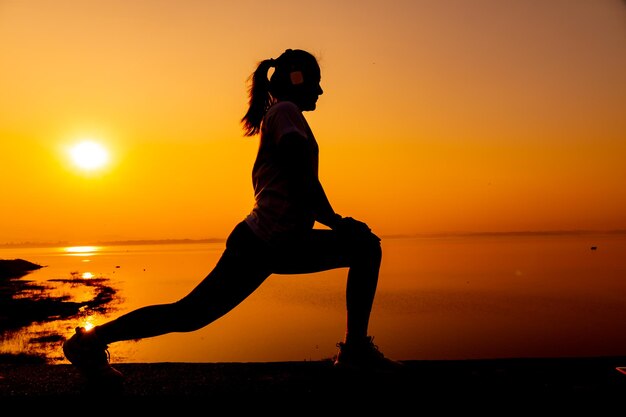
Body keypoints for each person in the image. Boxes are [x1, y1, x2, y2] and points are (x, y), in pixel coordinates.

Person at [63, 48, 402, 381]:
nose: (320, 90)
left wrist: (334, 221)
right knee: (189, 314)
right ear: (296, 80)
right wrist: (337, 222)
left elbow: (301, 179)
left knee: (190, 314)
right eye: (315, 81)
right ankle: (88, 343)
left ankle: (355, 350)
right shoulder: (285, 111)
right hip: (264, 242)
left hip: (275, 241)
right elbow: (302, 176)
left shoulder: (283, 113)